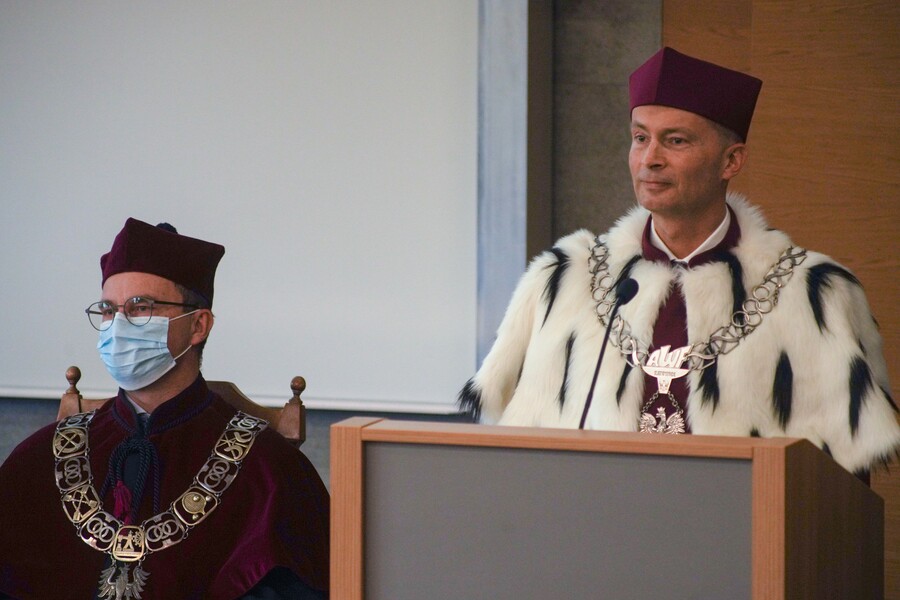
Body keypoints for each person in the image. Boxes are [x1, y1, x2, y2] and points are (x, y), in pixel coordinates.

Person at [458, 47, 899, 479]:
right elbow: (515, 464)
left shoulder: (811, 294)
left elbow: (838, 491)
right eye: (640, 138)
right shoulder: (564, 281)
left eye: (675, 141)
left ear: (731, 160)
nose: (650, 159)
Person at [0, 218, 329, 599]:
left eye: (140, 307)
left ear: (198, 325)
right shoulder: (39, 458)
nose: (118, 324)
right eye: (107, 310)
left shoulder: (268, 468)